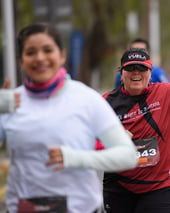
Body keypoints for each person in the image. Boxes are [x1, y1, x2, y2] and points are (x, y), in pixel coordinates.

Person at [0, 23, 137, 213]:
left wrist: (76, 158)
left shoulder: (86, 99)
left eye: (47, 50)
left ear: (62, 55)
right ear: (21, 60)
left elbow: (128, 155)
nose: (40, 58)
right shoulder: (10, 102)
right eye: (31, 52)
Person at [101, 29, 170, 213]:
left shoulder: (166, 93)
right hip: (119, 187)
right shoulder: (105, 103)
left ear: (150, 71)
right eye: (130, 68)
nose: (136, 73)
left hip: (159, 187)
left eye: (142, 68)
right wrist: (113, 140)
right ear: (121, 73)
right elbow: (88, 140)